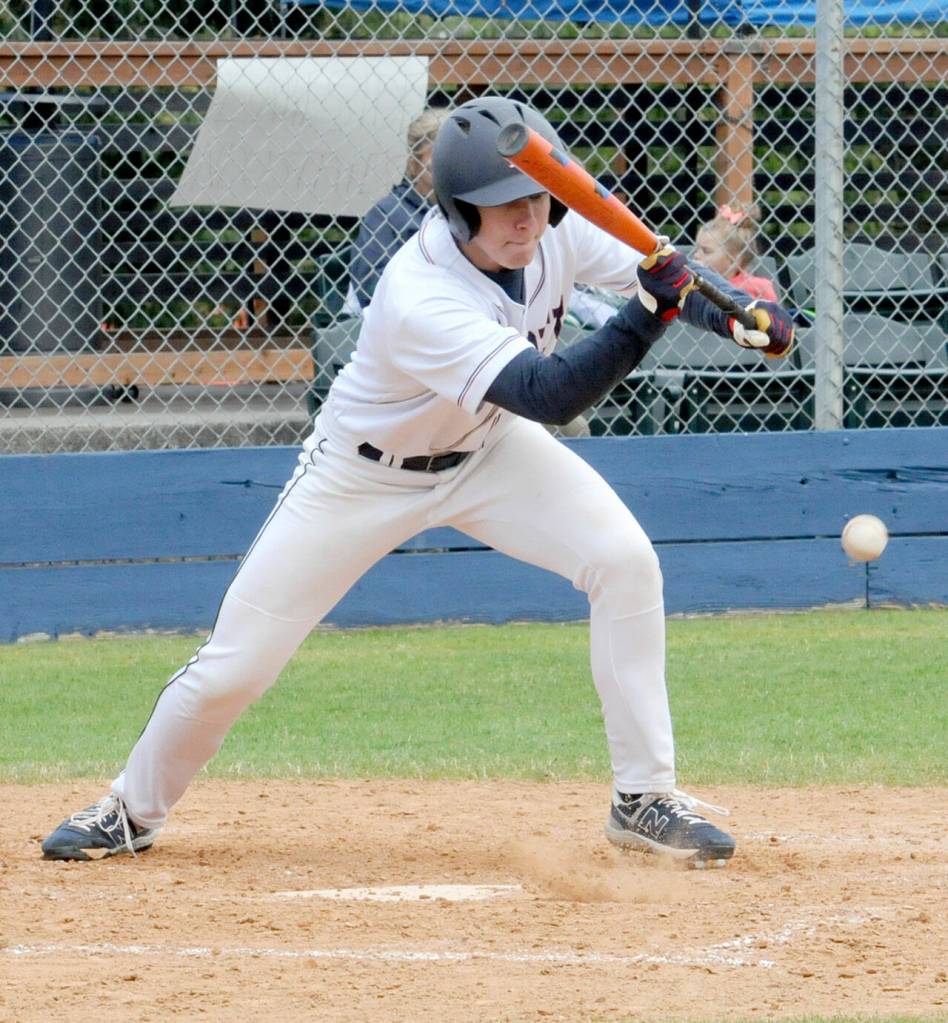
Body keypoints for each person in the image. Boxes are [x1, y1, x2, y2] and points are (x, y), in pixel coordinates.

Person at [42, 97, 794, 869]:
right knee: (240, 662)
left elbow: (664, 271)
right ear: (456, 210)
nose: (524, 220)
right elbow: (553, 393)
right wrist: (648, 310)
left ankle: (643, 797)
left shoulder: (555, 228)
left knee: (625, 561)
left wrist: (735, 314)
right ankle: (129, 807)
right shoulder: (419, 291)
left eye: (536, 197)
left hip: (488, 453)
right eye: (500, 207)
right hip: (361, 476)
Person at [346, 107, 448, 310]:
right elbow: (371, 286)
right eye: (436, 155)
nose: (445, 163)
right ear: (414, 163)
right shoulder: (386, 214)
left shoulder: (463, 210)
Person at [694, 202, 779, 303]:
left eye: (706, 251)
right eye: (697, 249)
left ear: (734, 259)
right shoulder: (692, 284)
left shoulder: (757, 288)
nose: (696, 255)